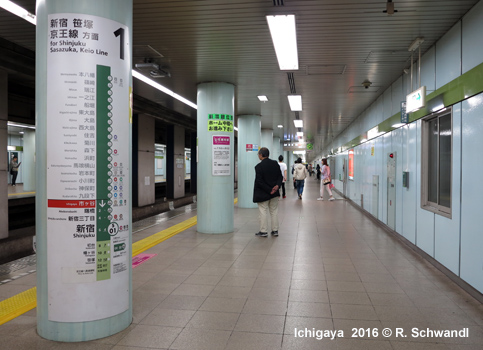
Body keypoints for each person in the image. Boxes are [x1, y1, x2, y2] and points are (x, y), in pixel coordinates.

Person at [253, 147, 283, 237]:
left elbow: (259, 181)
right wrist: (276, 186)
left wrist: (269, 190)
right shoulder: (275, 164)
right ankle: (275, 230)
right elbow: (280, 177)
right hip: (274, 193)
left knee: (263, 211)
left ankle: (263, 231)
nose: (258, 155)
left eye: (258, 154)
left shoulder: (258, 167)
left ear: (261, 155)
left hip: (263, 193)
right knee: (274, 211)